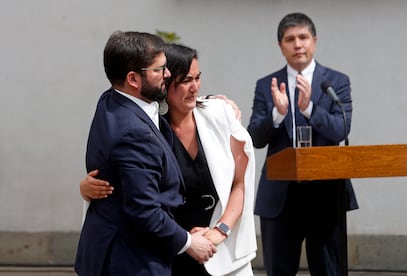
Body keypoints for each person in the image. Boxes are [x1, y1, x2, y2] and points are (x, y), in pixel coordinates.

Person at [80, 43, 257, 276]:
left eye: (198, 78)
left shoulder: (219, 114)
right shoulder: (149, 126)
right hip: (166, 250)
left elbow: (240, 182)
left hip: (217, 249)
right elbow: (130, 187)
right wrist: (86, 188)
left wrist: (220, 231)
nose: (194, 87)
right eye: (185, 80)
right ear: (165, 82)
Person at [247, 13, 358, 276]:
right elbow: (255, 137)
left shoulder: (335, 82)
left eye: (303, 37)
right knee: (279, 270)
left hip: (325, 194)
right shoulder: (267, 85)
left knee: (330, 269)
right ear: (281, 45)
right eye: (290, 39)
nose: (297, 44)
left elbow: (340, 129)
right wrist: (279, 113)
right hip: (281, 196)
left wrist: (309, 107)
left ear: (314, 41)